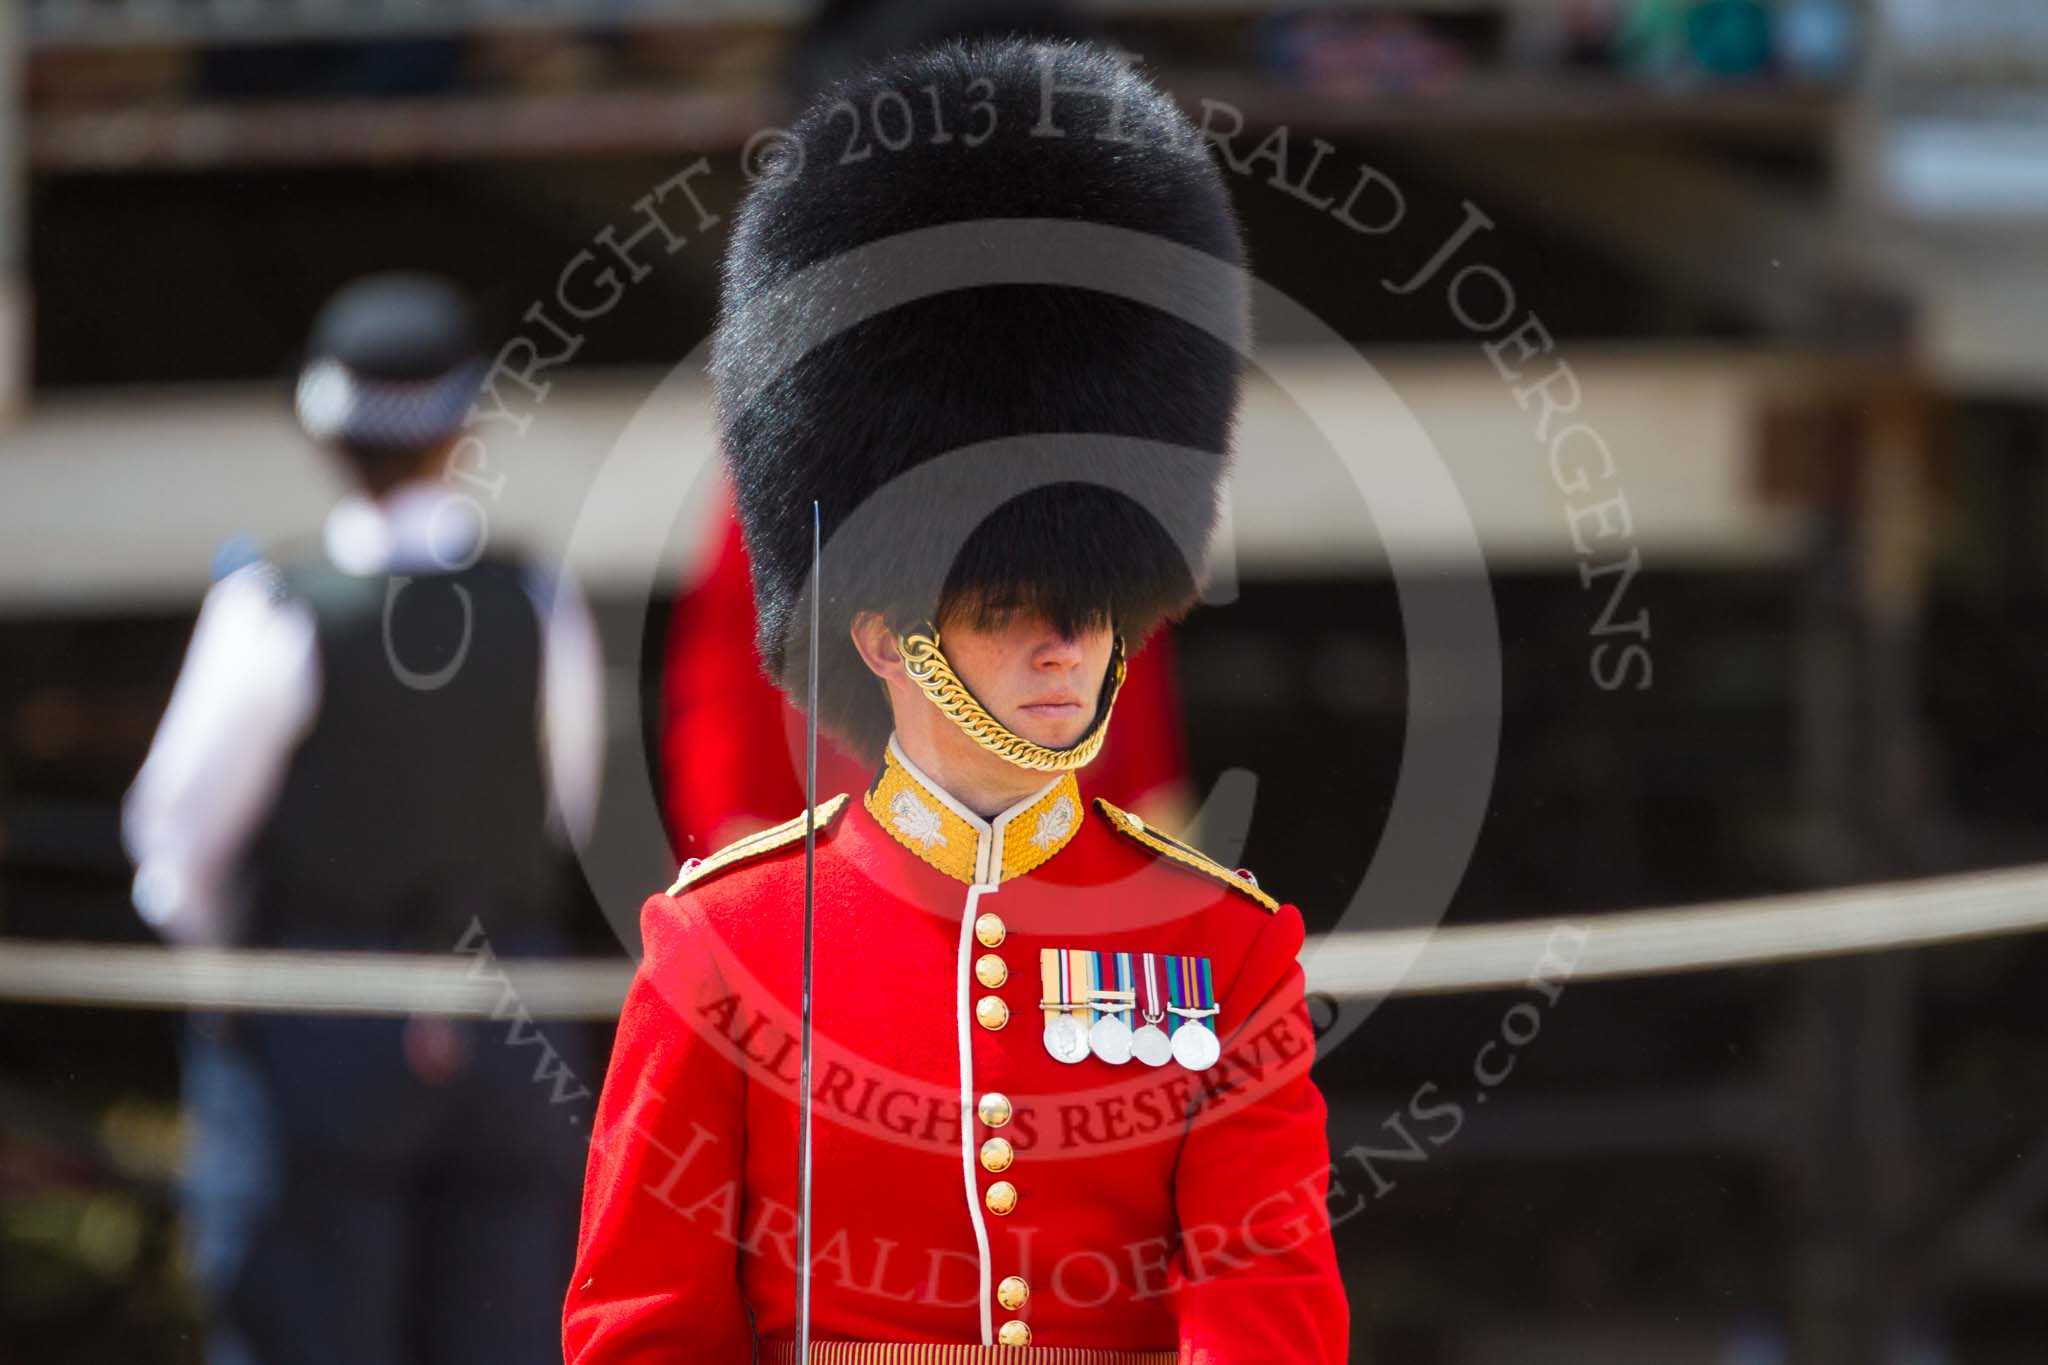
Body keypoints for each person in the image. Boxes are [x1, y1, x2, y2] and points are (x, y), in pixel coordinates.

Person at [566, 37, 1346, 1362]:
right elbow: (646, 1331)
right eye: (1004, 610)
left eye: (1088, 611)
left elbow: (1262, 1312)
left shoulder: (1229, 952)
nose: (1061, 652)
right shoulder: (725, 951)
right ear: (883, 633)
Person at [123, 273, 605, 1365]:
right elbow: (560, 808)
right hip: (509, 1024)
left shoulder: (273, 606)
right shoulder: (535, 597)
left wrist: (248, 973)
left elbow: (173, 847)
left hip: (317, 1013)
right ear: (463, 425)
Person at [659, 486, 1196, 858]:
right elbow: (726, 691)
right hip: (833, 848)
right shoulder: (798, 488)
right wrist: (745, 870)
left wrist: (1153, 862)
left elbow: (1126, 687)